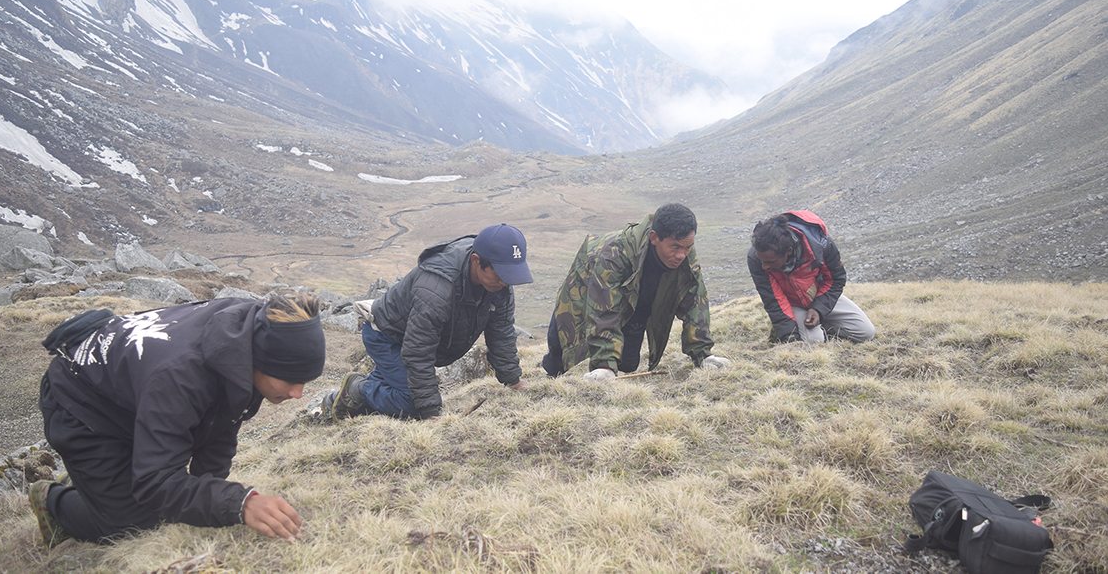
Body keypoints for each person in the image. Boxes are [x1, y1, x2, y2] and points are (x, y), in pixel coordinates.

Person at [30, 293, 326, 547]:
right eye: (290, 379)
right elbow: (154, 482)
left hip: (136, 396)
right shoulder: (181, 376)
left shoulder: (251, 337)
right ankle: (52, 499)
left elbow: (221, 421)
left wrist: (211, 498)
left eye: (304, 381)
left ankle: (105, 480)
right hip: (82, 403)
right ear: (260, 361)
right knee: (133, 526)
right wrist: (241, 503)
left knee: (174, 505)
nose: (298, 394)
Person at [325, 223, 533, 421]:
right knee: (412, 405)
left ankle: (346, 400)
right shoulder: (437, 288)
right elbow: (418, 350)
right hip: (388, 336)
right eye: (500, 274)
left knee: (399, 389)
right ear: (476, 261)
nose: (506, 282)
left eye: (511, 274)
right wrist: (429, 411)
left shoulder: (500, 284)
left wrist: (512, 380)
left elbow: (501, 332)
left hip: (412, 338)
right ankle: (358, 388)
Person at [541, 203, 728, 380]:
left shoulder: (684, 253)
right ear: (654, 238)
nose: (681, 255)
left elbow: (695, 301)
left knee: (627, 364)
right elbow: (604, 309)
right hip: (584, 287)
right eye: (675, 247)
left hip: (638, 296)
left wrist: (703, 355)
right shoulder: (614, 254)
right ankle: (551, 378)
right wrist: (604, 366)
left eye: (687, 247)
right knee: (561, 349)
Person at [748, 210, 876, 344]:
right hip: (791, 304)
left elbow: (835, 279)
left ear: (788, 252)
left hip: (819, 295)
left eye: (770, 262)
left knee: (866, 333)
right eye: (761, 261)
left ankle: (822, 324)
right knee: (815, 342)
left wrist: (819, 309)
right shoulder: (756, 256)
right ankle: (796, 329)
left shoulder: (820, 245)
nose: (764, 267)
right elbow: (774, 300)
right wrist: (790, 337)